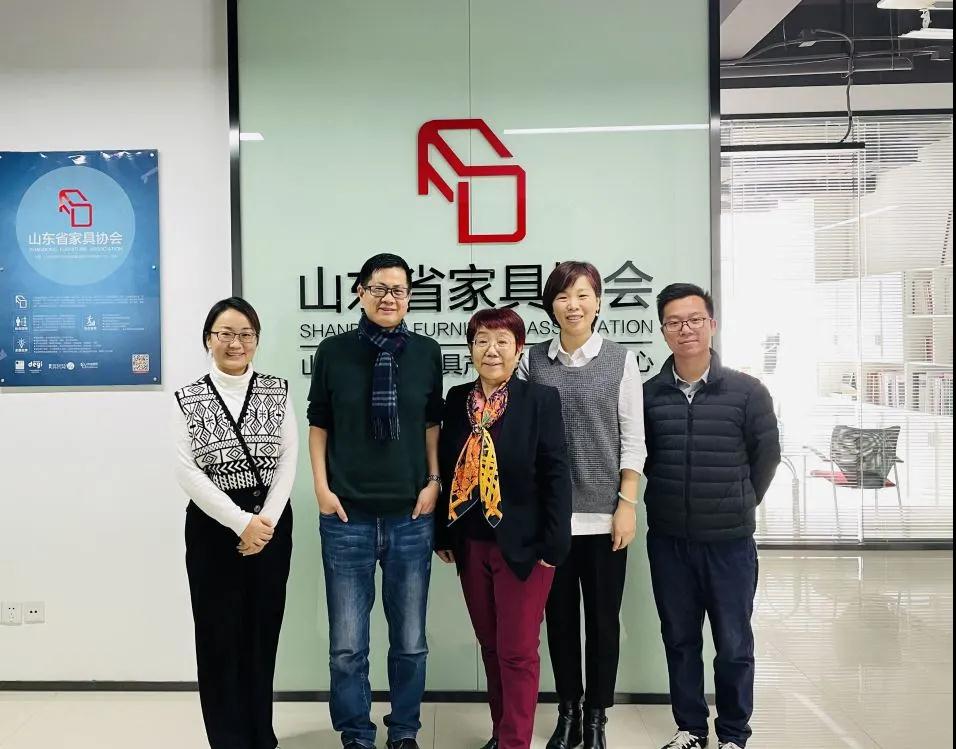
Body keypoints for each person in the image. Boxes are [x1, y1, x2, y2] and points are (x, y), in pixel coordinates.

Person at [307, 252, 443, 749]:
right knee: (347, 646)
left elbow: (432, 423)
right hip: (347, 517)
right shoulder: (333, 351)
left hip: (410, 516)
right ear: (360, 292)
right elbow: (318, 424)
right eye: (380, 288)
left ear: (409, 297)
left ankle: (404, 730)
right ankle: (356, 733)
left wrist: (434, 480)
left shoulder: (426, 353)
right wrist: (321, 489)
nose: (390, 298)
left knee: (410, 642)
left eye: (399, 290)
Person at [644, 283, 779, 749]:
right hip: (669, 541)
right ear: (663, 331)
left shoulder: (747, 391)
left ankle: (733, 735)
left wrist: (738, 501)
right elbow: (642, 458)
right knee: (679, 639)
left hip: (729, 543)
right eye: (675, 322)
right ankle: (691, 729)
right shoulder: (649, 395)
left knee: (734, 644)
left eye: (695, 319)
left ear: (712, 325)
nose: (686, 329)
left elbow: (766, 457)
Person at [518, 261, 646, 749]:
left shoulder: (620, 361)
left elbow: (633, 440)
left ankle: (596, 717)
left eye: (583, 295)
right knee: (559, 622)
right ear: (550, 305)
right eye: (563, 296)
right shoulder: (533, 360)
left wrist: (627, 504)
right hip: (552, 519)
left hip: (605, 516)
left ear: (598, 302)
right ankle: (567, 711)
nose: (573, 305)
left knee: (603, 622)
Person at [435, 307, 572, 749]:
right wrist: (443, 533)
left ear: (519, 349)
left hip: (526, 546)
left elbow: (556, 473)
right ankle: (502, 731)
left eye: (502, 341)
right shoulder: (457, 399)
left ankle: (515, 742)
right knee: (491, 646)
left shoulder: (539, 400)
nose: (491, 350)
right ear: (470, 349)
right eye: (481, 341)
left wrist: (554, 543)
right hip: (470, 542)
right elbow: (445, 468)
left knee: (517, 650)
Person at [174, 296, 298, 749]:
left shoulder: (276, 390)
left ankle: (260, 735)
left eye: (246, 334)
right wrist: (240, 522)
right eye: (225, 333)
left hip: (270, 525)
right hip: (213, 529)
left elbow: (287, 461)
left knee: (262, 633)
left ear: (257, 340)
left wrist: (263, 523)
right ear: (208, 339)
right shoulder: (188, 398)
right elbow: (186, 471)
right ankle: (227, 739)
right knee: (217, 635)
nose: (235, 343)